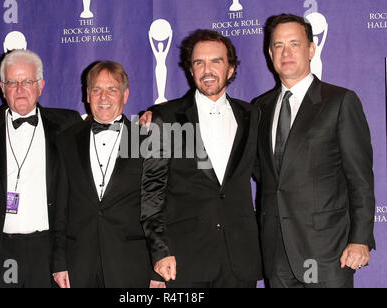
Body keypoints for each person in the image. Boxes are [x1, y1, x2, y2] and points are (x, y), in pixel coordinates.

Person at [253, 14, 375, 288]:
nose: (286, 52)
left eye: (294, 44)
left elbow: (360, 179)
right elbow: (261, 170)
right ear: (270, 52)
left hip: (328, 252)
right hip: (277, 253)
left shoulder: (340, 102)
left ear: (311, 49)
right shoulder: (259, 108)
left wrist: (360, 238)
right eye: (278, 45)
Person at [140, 29, 262, 288]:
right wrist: (160, 251)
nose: (207, 69)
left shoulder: (252, 116)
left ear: (230, 68)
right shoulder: (165, 118)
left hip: (239, 261)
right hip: (185, 262)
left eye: (216, 61)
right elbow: (152, 192)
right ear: (191, 70)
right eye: (199, 62)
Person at [0, 49, 82, 288]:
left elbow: (106, 133)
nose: (20, 89)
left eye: (27, 81)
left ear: (41, 85)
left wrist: (148, 122)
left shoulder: (68, 124)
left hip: (50, 249)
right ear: (1, 88)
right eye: (12, 82)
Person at [52, 61, 160, 288]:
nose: (104, 97)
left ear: (125, 95)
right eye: (97, 90)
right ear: (87, 95)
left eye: (112, 90)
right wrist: (59, 262)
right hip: (77, 264)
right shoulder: (66, 140)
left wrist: (156, 270)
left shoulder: (146, 140)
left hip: (132, 264)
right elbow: (59, 207)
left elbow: (159, 208)